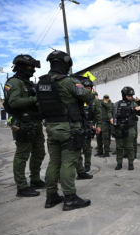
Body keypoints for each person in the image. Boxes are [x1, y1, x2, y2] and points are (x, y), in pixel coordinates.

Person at [37, 50, 93, 211]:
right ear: (65, 63)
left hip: (51, 128)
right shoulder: (68, 81)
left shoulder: (41, 82)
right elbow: (88, 97)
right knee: (68, 162)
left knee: (54, 162)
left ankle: (51, 196)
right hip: (69, 129)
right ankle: (70, 198)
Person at [3, 54, 46, 197]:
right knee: (22, 155)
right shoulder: (14, 82)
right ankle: (21, 187)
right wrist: (35, 99)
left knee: (39, 152)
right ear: (21, 66)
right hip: (23, 123)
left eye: (34, 67)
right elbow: (14, 102)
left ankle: (35, 180)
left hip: (35, 122)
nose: (33, 69)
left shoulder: (28, 83)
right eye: (30, 66)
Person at [74, 76, 101, 179]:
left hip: (89, 125)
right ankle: (79, 167)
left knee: (87, 147)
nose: (87, 90)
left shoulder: (94, 101)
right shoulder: (77, 99)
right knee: (77, 147)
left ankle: (87, 165)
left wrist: (98, 126)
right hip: (78, 125)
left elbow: (98, 114)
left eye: (89, 88)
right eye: (85, 88)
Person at [112, 87, 140, 170]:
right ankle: (119, 163)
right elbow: (112, 113)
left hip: (130, 127)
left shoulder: (133, 103)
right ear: (124, 95)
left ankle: (131, 163)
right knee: (119, 147)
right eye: (128, 96)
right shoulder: (117, 104)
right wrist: (111, 118)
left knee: (130, 146)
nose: (130, 97)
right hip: (119, 127)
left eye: (131, 96)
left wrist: (139, 109)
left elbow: (139, 113)